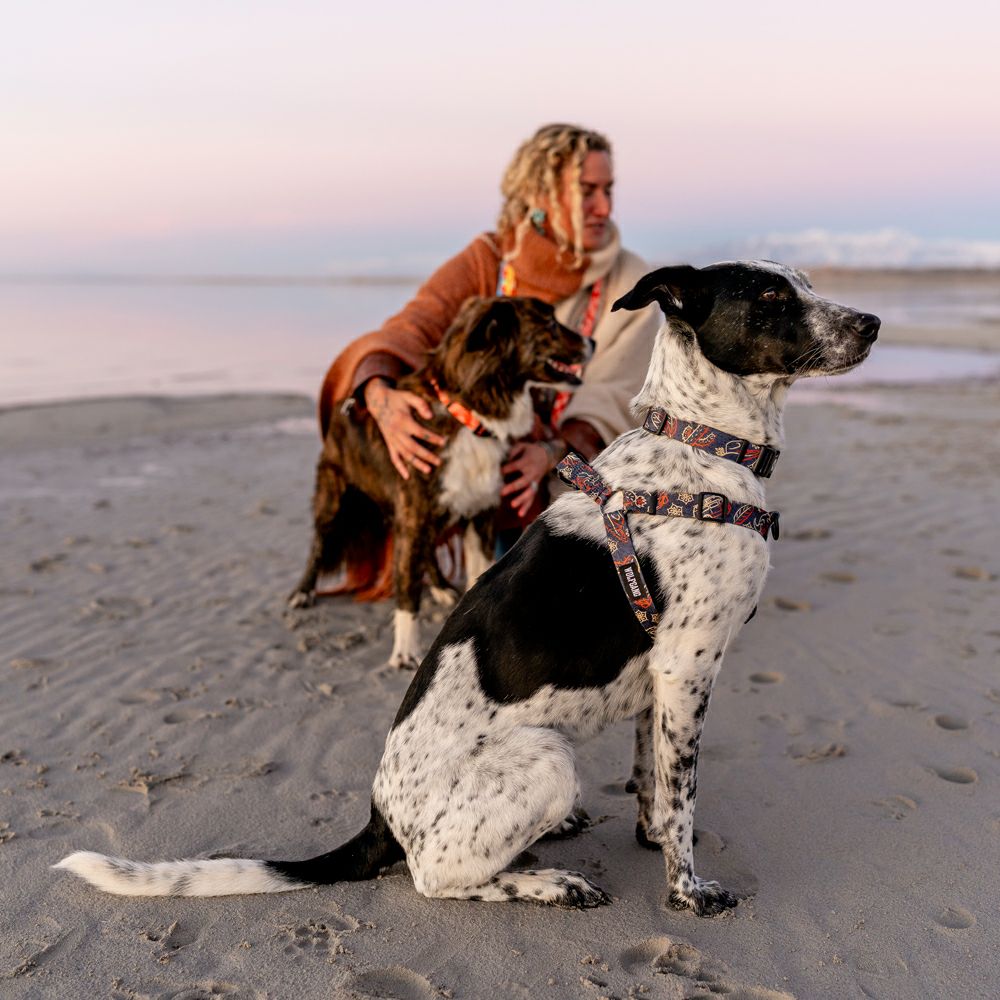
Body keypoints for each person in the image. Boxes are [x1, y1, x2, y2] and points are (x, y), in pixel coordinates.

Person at [317, 123, 660, 587]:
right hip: (484, 474)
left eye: (608, 189)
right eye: (586, 191)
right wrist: (381, 397)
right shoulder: (489, 259)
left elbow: (618, 393)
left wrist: (551, 451)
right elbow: (413, 327)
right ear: (539, 195)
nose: (604, 207)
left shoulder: (628, 279)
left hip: (567, 479)